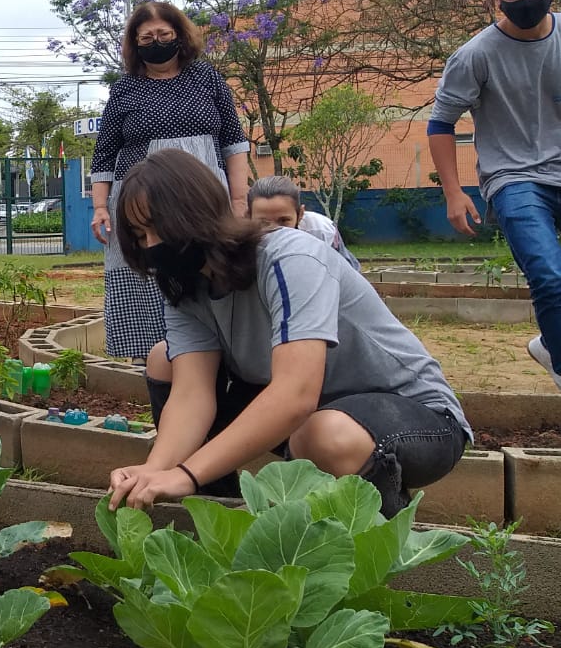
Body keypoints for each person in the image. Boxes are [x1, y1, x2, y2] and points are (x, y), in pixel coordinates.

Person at [106, 150, 468, 516]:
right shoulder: (187, 286)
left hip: (413, 414)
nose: (151, 246)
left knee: (324, 435)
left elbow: (296, 395)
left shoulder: (289, 257)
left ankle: (384, 532)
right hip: (311, 413)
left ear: (196, 214)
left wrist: (186, 473)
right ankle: (216, 511)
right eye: (139, 235)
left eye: (159, 229)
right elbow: (191, 395)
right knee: (163, 360)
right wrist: (157, 470)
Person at [429, 0, 561, 392]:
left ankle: (549, 342)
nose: (524, 2)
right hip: (514, 177)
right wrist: (453, 192)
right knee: (548, 272)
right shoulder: (475, 55)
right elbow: (440, 123)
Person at [90, 2, 251, 361]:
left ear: (179, 34)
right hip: (142, 201)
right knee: (146, 268)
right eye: (146, 37)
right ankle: (154, 362)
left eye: (163, 34)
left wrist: (239, 200)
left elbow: (235, 142)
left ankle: (219, 353)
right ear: (135, 43)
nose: (156, 42)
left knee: (209, 264)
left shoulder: (206, 78)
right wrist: (101, 207)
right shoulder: (124, 90)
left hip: (203, 197)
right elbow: (104, 154)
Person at [246, 174, 362, 272]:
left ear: (300, 214)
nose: (275, 230)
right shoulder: (241, 240)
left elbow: (351, 275)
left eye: (284, 221)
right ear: (249, 217)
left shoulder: (322, 231)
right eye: (264, 223)